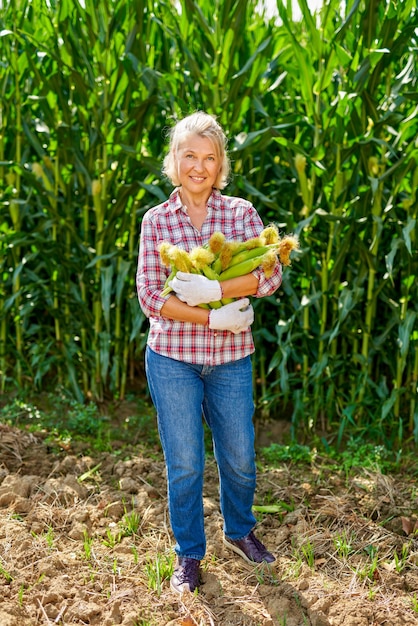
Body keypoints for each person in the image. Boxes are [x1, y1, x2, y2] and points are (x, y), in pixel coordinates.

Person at [136, 111, 282, 594]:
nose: (198, 166)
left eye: (209, 157)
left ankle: (239, 530)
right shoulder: (156, 221)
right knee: (185, 464)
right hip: (172, 358)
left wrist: (216, 285)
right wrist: (211, 314)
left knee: (239, 457)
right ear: (173, 163)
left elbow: (270, 274)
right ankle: (189, 554)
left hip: (230, 361)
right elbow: (151, 296)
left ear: (221, 167)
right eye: (188, 155)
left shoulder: (240, 215)